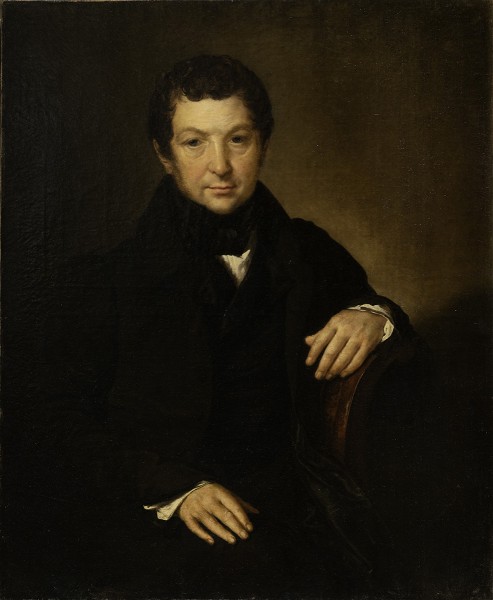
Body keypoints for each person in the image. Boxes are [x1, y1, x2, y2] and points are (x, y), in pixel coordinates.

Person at [34, 55, 411, 598]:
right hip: (155, 508)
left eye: (238, 139)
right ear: (164, 155)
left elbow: (376, 309)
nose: (220, 166)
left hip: (286, 500)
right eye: (195, 143)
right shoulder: (104, 282)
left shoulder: (307, 250)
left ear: (264, 143)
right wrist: (176, 491)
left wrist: (374, 315)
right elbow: (55, 421)